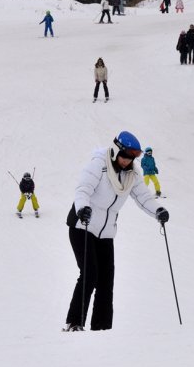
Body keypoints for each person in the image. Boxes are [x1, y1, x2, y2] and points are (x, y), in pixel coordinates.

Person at [63, 131, 169, 332]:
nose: (127, 162)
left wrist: (159, 211)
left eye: (131, 159)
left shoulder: (132, 174)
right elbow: (83, 189)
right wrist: (83, 208)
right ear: (116, 151)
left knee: (106, 279)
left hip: (106, 232)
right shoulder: (98, 165)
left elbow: (143, 197)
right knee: (90, 273)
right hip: (82, 224)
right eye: (125, 157)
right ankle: (74, 323)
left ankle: (102, 328)